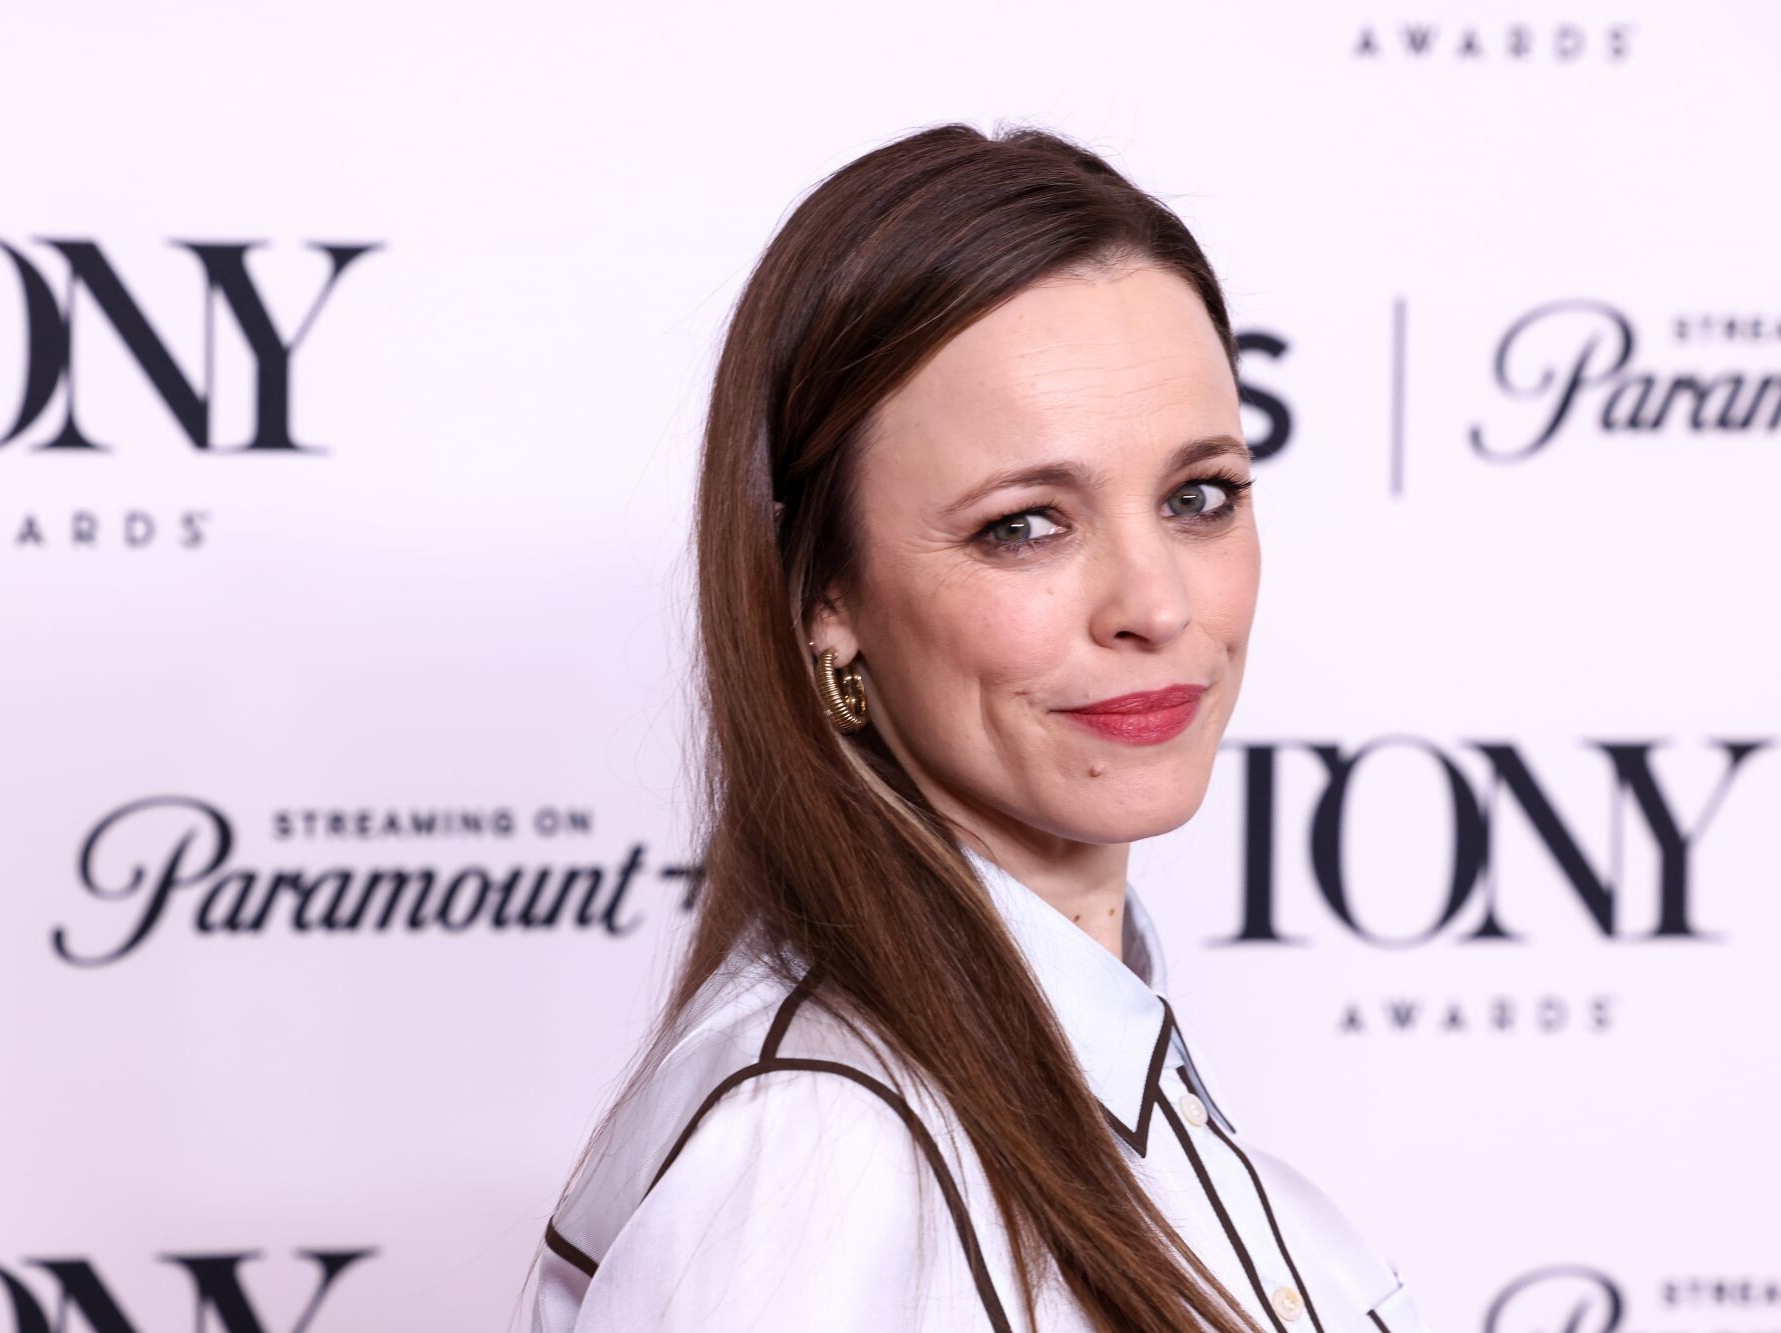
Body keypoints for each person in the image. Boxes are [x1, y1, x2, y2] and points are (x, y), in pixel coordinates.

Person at [526, 122, 1428, 1332]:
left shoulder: (1104, 1082)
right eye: (1024, 524)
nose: (1156, 605)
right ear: (823, 598)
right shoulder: (819, 1155)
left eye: (1197, 496)